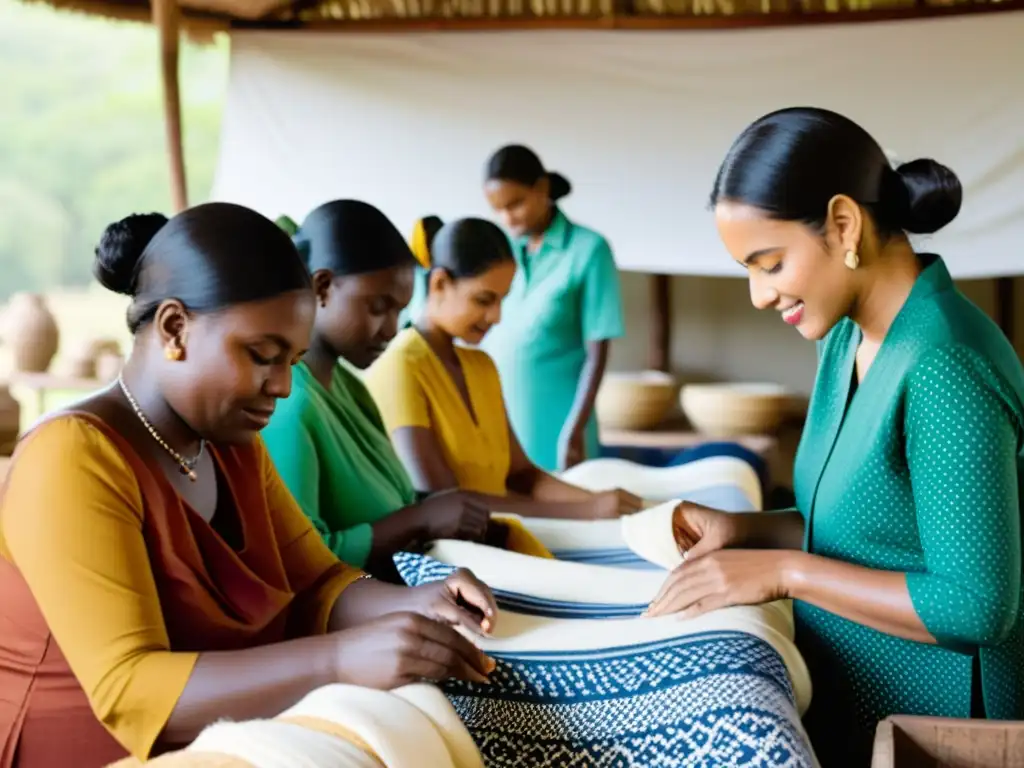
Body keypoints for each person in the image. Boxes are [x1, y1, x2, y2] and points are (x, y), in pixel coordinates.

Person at [0, 203, 497, 768]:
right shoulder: (71, 457)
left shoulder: (231, 445)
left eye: (293, 360)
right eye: (262, 356)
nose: (283, 386)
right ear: (174, 328)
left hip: (221, 739)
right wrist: (339, 660)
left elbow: (316, 581)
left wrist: (417, 605)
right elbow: (130, 687)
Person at [645, 107, 1024, 764]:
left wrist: (784, 571)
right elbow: (875, 529)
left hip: (943, 724)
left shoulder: (941, 364)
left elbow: (975, 605)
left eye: (769, 263)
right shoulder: (848, 337)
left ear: (843, 225)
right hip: (861, 697)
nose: (759, 295)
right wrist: (748, 532)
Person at [261, 200, 547, 579]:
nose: (392, 328)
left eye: (399, 310)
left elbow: (402, 502)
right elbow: (301, 562)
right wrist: (421, 519)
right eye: (379, 307)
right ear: (323, 287)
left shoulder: (348, 386)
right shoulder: (290, 405)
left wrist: (435, 513)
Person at [365, 217, 642, 521]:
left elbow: (523, 476)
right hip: (458, 553)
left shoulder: (481, 366)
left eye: (501, 301)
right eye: (484, 300)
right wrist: (585, 510)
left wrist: (608, 504)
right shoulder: (401, 365)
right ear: (440, 284)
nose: (496, 316)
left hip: (509, 533)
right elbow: (445, 502)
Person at [480, 145, 625, 472]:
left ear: (542, 189)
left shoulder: (589, 250)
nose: (507, 217)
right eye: (497, 209)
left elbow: (597, 352)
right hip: (501, 425)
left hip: (559, 429)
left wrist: (575, 429)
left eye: (515, 204)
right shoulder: (501, 252)